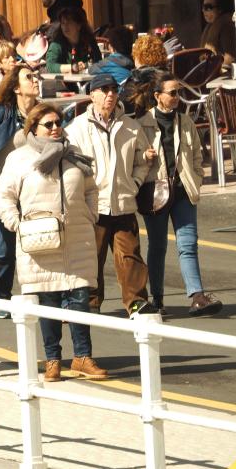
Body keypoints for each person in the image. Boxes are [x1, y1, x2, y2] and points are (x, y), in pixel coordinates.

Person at [0, 103, 107, 382]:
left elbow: (91, 189)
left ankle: (82, 357)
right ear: (33, 127)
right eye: (49, 124)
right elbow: (3, 196)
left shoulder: (74, 155)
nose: (56, 127)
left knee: (81, 299)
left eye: (59, 122)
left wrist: (90, 214)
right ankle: (53, 359)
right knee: (49, 302)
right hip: (40, 242)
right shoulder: (19, 158)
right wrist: (16, 224)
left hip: (76, 240)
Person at [65, 74, 155, 316]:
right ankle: (91, 303)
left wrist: (134, 183)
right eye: (103, 90)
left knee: (130, 256)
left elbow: (142, 160)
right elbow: (71, 166)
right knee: (91, 256)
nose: (110, 95)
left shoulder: (130, 126)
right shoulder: (76, 129)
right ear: (91, 95)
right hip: (93, 205)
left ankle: (136, 301)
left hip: (123, 202)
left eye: (114, 90)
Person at [137, 72, 223, 316]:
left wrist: (196, 177)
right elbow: (133, 158)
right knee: (158, 246)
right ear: (157, 96)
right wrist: (144, 158)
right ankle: (158, 299)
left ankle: (197, 296)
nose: (178, 98)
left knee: (188, 244)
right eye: (173, 93)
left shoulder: (185, 121)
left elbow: (197, 153)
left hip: (183, 190)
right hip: (155, 192)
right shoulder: (143, 123)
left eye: (180, 92)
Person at [0, 65, 41, 316]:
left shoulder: (41, 113)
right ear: (16, 87)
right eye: (29, 77)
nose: (35, 80)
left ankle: (36, 297)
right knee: (5, 250)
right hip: (5, 189)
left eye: (35, 75)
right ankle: (2, 297)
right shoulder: (2, 114)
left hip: (36, 190)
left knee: (38, 248)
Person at [45, 7, 102, 75]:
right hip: (64, 83)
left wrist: (86, 65)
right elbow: (50, 66)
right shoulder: (57, 44)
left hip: (87, 81)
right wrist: (72, 68)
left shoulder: (89, 41)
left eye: (69, 22)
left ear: (79, 25)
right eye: (63, 23)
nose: (65, 26)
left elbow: (98, 61)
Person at [199, 0, 236, 65]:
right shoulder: (210, 26)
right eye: (203, 7)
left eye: (208, 7)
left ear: (220, 9)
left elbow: (231, 58)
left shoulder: (226, 27)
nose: (203, 11)